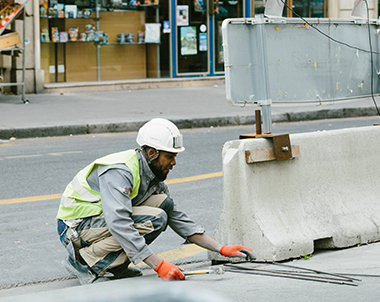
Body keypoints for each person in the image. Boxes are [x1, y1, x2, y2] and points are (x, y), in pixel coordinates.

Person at [56, 118, 254, 284]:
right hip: (75, 228)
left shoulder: (151, 175)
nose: (174, 162)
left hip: (96, 223)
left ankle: (114, 266)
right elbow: (119, 223)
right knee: (155, 219)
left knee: (163, 204)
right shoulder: (120, 171)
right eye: (170, 156)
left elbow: (177, 218)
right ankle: (84, 262)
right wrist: (158, 265)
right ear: (152, 153)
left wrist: (221, 248)